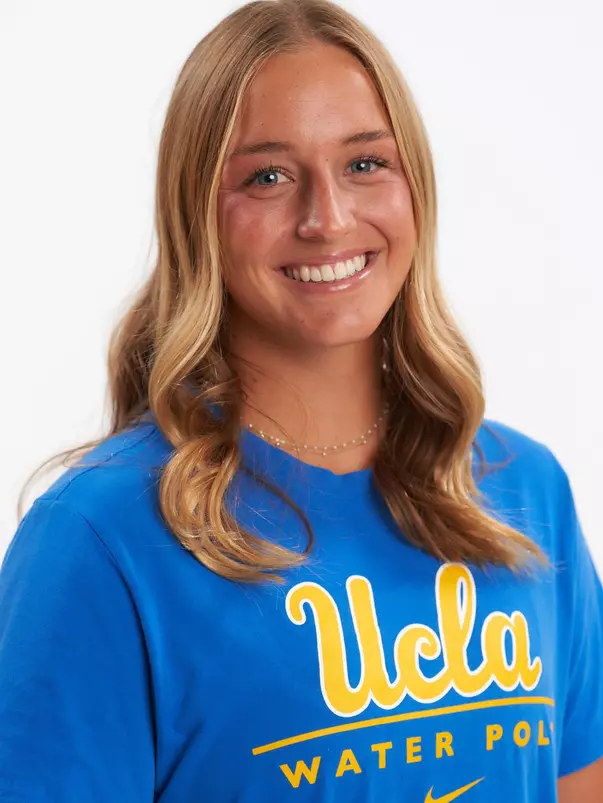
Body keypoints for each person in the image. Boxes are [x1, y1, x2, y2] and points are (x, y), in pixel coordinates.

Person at [1, 0, 601, 800]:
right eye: (268, 176)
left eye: (365, 163)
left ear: (415, 187)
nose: (328, 218)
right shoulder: (102, 537)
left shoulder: (523, 490)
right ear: (196, 214)